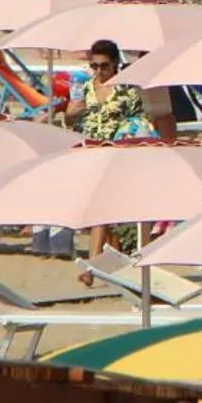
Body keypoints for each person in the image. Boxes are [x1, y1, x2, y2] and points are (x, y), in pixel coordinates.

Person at [46, 39, 153, 279]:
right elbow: (73, 120)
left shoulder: (128, 89)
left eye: (104, 66)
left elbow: (137, 122)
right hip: (89, 151)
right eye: (94, 66)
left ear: (115, 63)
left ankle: (92, 266)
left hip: (116, 153)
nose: (99, 71)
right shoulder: (84, 87)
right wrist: (70, 114)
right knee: (98, 209)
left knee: (101, 207)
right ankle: (108, 259)